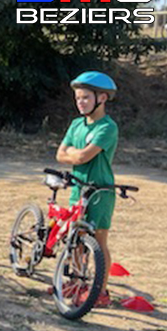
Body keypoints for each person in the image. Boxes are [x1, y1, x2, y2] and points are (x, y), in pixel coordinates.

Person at [55, 71, 120, 308]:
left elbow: (82, 156)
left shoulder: (108, 127)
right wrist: (74, 155)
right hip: (77, 188)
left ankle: (100, 291)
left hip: (100, 191)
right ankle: (76, 284)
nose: (80, 102)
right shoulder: (76, 124)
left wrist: (74, 154)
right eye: (78, 98)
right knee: (76, 239)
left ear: (101, 98)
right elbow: (60, 154)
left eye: (85, 98)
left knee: (99, 243)